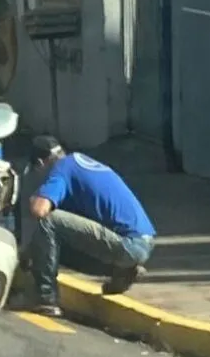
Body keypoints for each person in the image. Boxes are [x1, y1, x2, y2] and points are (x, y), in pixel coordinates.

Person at [25, 135, 156, 317]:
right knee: (54, 245)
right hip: (143, 242)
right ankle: (123, 270)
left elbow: (40, 210)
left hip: (127, 242)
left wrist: (35, 198)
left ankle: (46, 298)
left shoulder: (61, 169)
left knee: (48, 221)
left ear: (40, 163)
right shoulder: (78, 163)